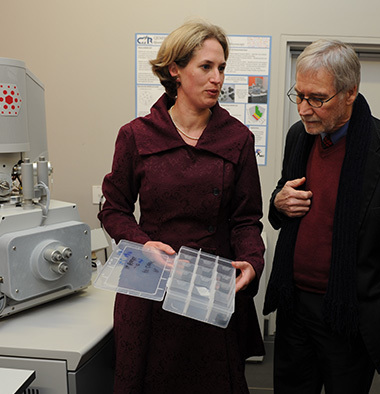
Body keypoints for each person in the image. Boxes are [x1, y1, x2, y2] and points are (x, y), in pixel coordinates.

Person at [98, 20, 265, 393]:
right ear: (175, 69)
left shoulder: (237, 138)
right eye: (206, 67)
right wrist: (143, 242)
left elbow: (246, 219)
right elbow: (114, 209)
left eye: (221, 68)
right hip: (150, 285)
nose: (217, 78)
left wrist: (253, 262)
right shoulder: (136, 135)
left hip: (208, 286)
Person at [263, 39, 380, 393]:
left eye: (318, 99)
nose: (304, 109)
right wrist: (278, 203)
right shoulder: (300, 137)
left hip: (351, 315)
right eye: (300, 95)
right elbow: (283, 204)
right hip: (294, 306)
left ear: (350, 92)